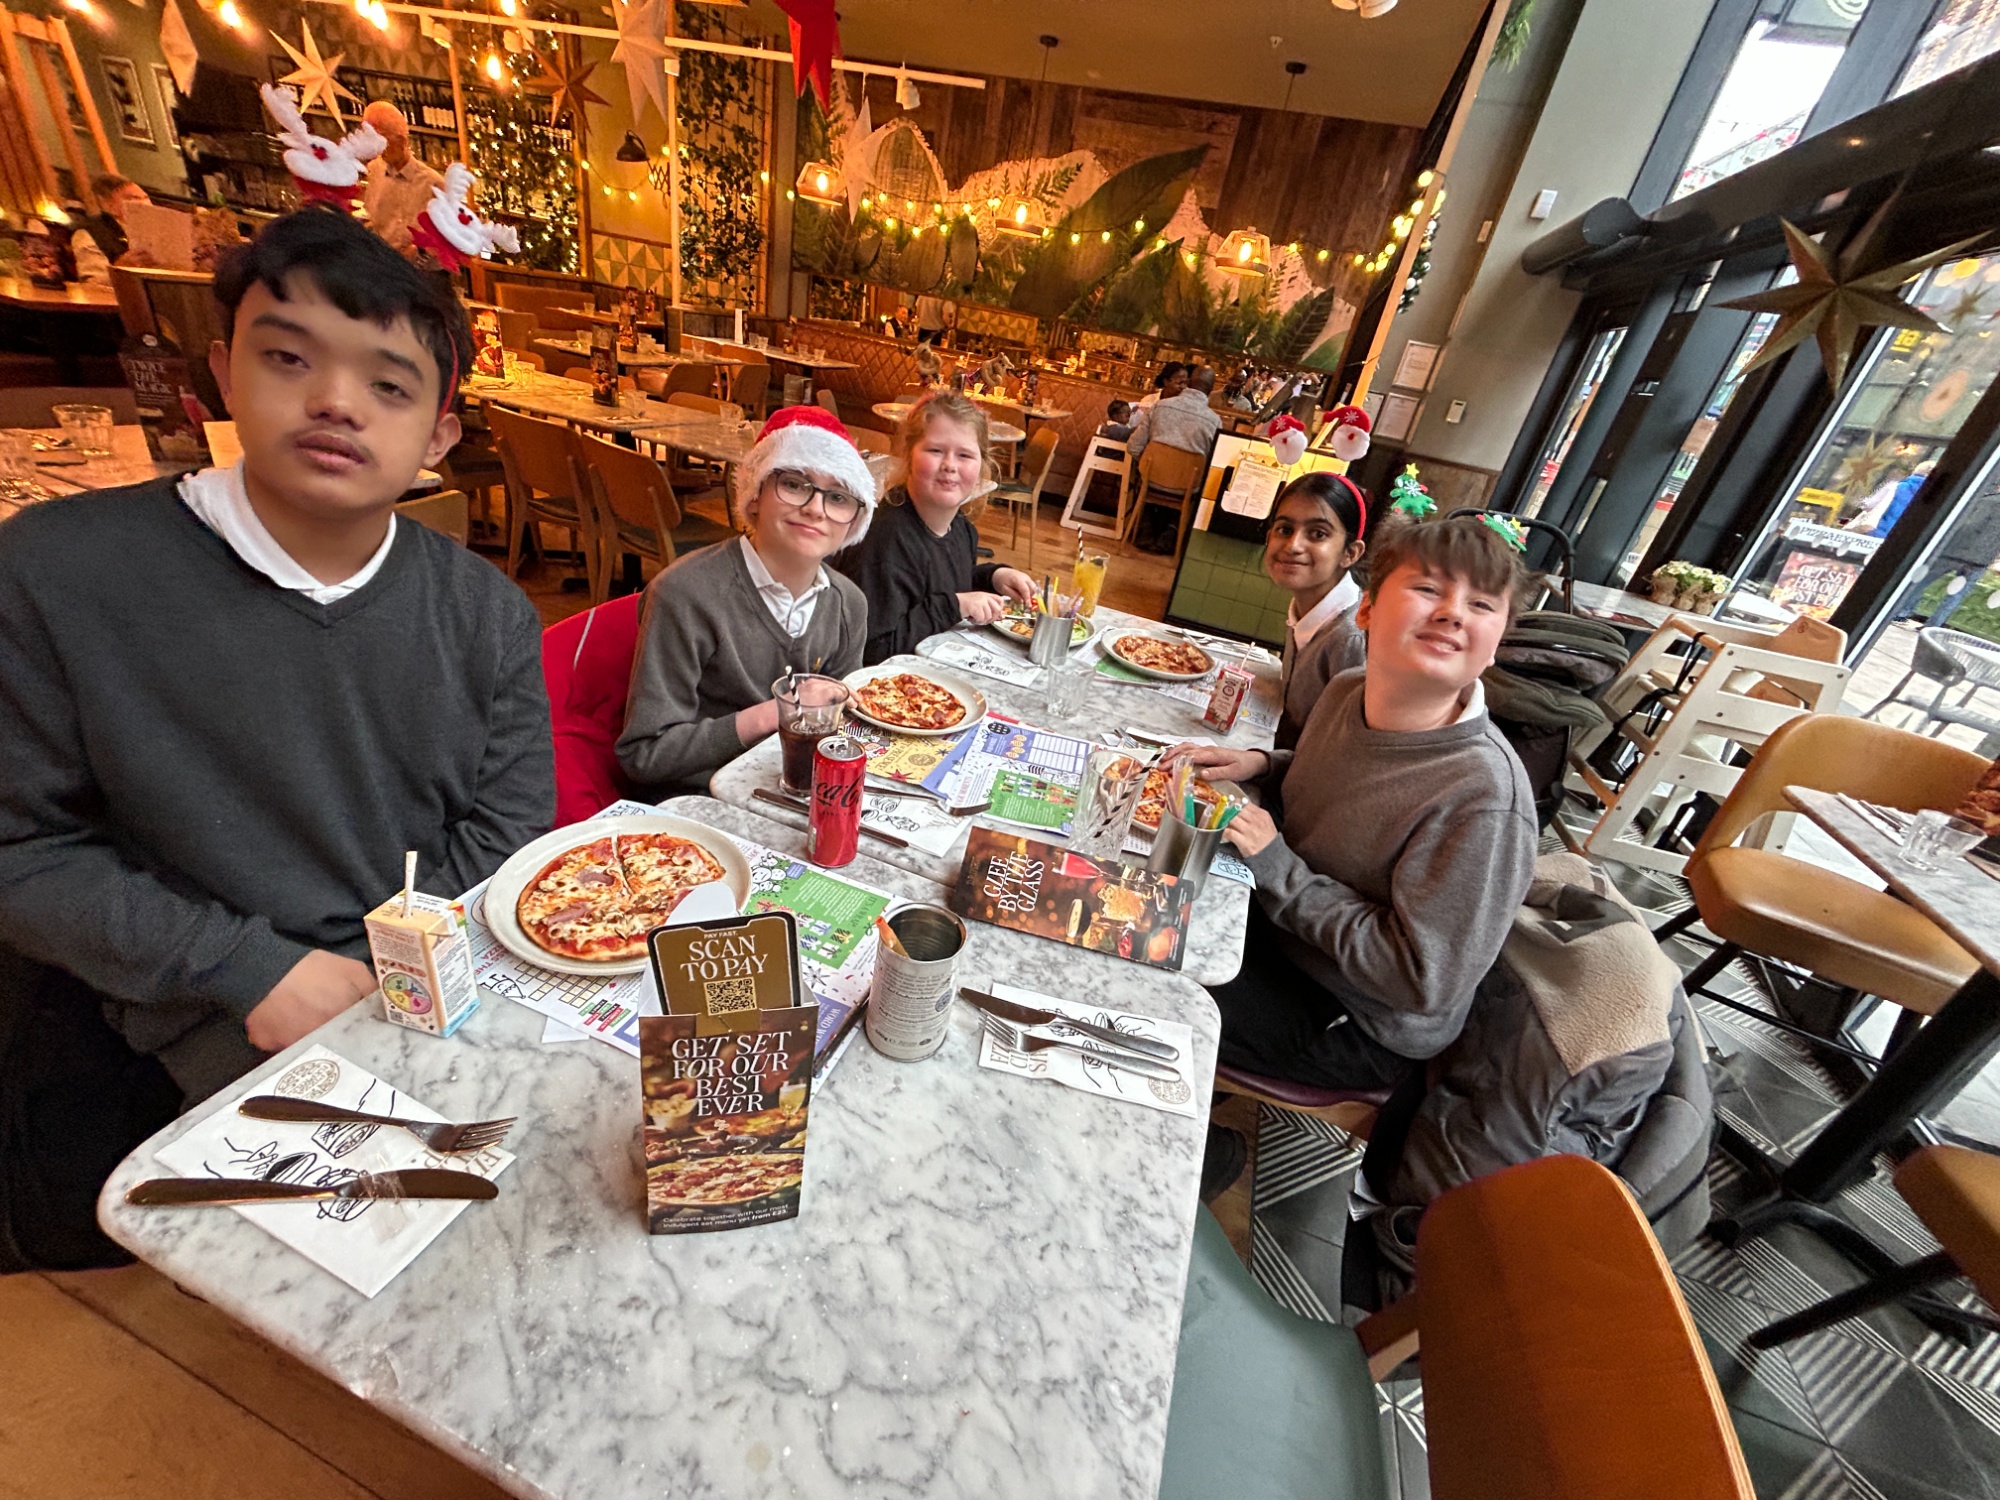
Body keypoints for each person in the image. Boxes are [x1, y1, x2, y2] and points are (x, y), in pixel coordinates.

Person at [0, 205, 554, 1271]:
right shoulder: (59, 573)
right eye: (289, 358)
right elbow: (22, 849)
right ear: (221, 372)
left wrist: (381, 970)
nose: (336, 401)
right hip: (172, 1015)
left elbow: (512, 819)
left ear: (438, 435)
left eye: (388, 385)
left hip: (413, 989)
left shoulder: (485, 612)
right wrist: (247, 968)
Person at [1169, 513, 1537, 1105]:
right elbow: (1343, 776)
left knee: (1147, 983)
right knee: (1139, 891)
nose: (1453, 613)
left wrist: (1278, 867)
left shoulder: (1485, 799)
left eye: (1481, 604)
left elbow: (1418, 980)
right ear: (1366, 609)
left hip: (1355, 1015)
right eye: (1428, 589)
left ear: (1495, 644)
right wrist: (1263, 764)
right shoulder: (1350, 689)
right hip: (1282, 926)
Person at [617, 406, 874, 797]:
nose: (815, 508)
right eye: (794, 484)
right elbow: (644, 755)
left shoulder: (848, 604)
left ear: (854, 521)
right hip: (698, 802)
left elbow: (839, 733)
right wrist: (774, 714)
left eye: (838, 497)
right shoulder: (685, 594)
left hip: (791, 794)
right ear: (754, 495)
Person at [833, 392, 1036, 663]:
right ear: (908, 454)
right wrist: (955, 606)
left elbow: (940, 581)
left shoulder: (961, 529)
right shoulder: (885, 539)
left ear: (981, 466)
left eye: (964, 455)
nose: (950, 465)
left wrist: (993, 577)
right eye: (935, 451)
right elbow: (874, 652)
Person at [1267, 472, 1371, 751]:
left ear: (1350, 553)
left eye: (1318, 534)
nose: (1293, 546)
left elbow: (1341, 750)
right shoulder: (1305, 610)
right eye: (1284, 529)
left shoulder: (1351, 637)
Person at [360, 100, 445, 258]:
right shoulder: (374, 170)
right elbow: (374, 219)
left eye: (383, 142)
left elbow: (448, 239)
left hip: (419, 269)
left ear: (402, 141)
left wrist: (419, 251)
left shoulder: (433, 183)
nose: (378, 150)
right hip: (382, 263)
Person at [69, 173, 153, 283]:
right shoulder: (90, 232)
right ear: (107, 204)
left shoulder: (156, 229)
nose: (145, 204)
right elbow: (92, 282)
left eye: (146, 198)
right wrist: (121, 268)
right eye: (134, 198)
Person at [1130, 364, 1221, 460]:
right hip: (1189, 470)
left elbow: (1133, 447)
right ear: (1211, 390)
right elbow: (1216, 461)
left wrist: (1150, 463)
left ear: (1189, 382)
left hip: (1151, 468)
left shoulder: (1159, 406)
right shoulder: (1214, 422)